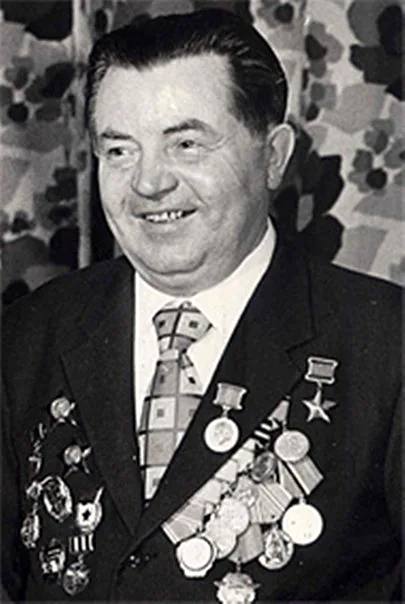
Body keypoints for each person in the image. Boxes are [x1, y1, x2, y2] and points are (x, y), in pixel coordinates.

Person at [2, 9, 401, 603]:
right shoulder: (28, 335)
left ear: (273, 156)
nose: (148, 183)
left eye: (186, 144)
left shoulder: (387, 345)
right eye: (119, 150)